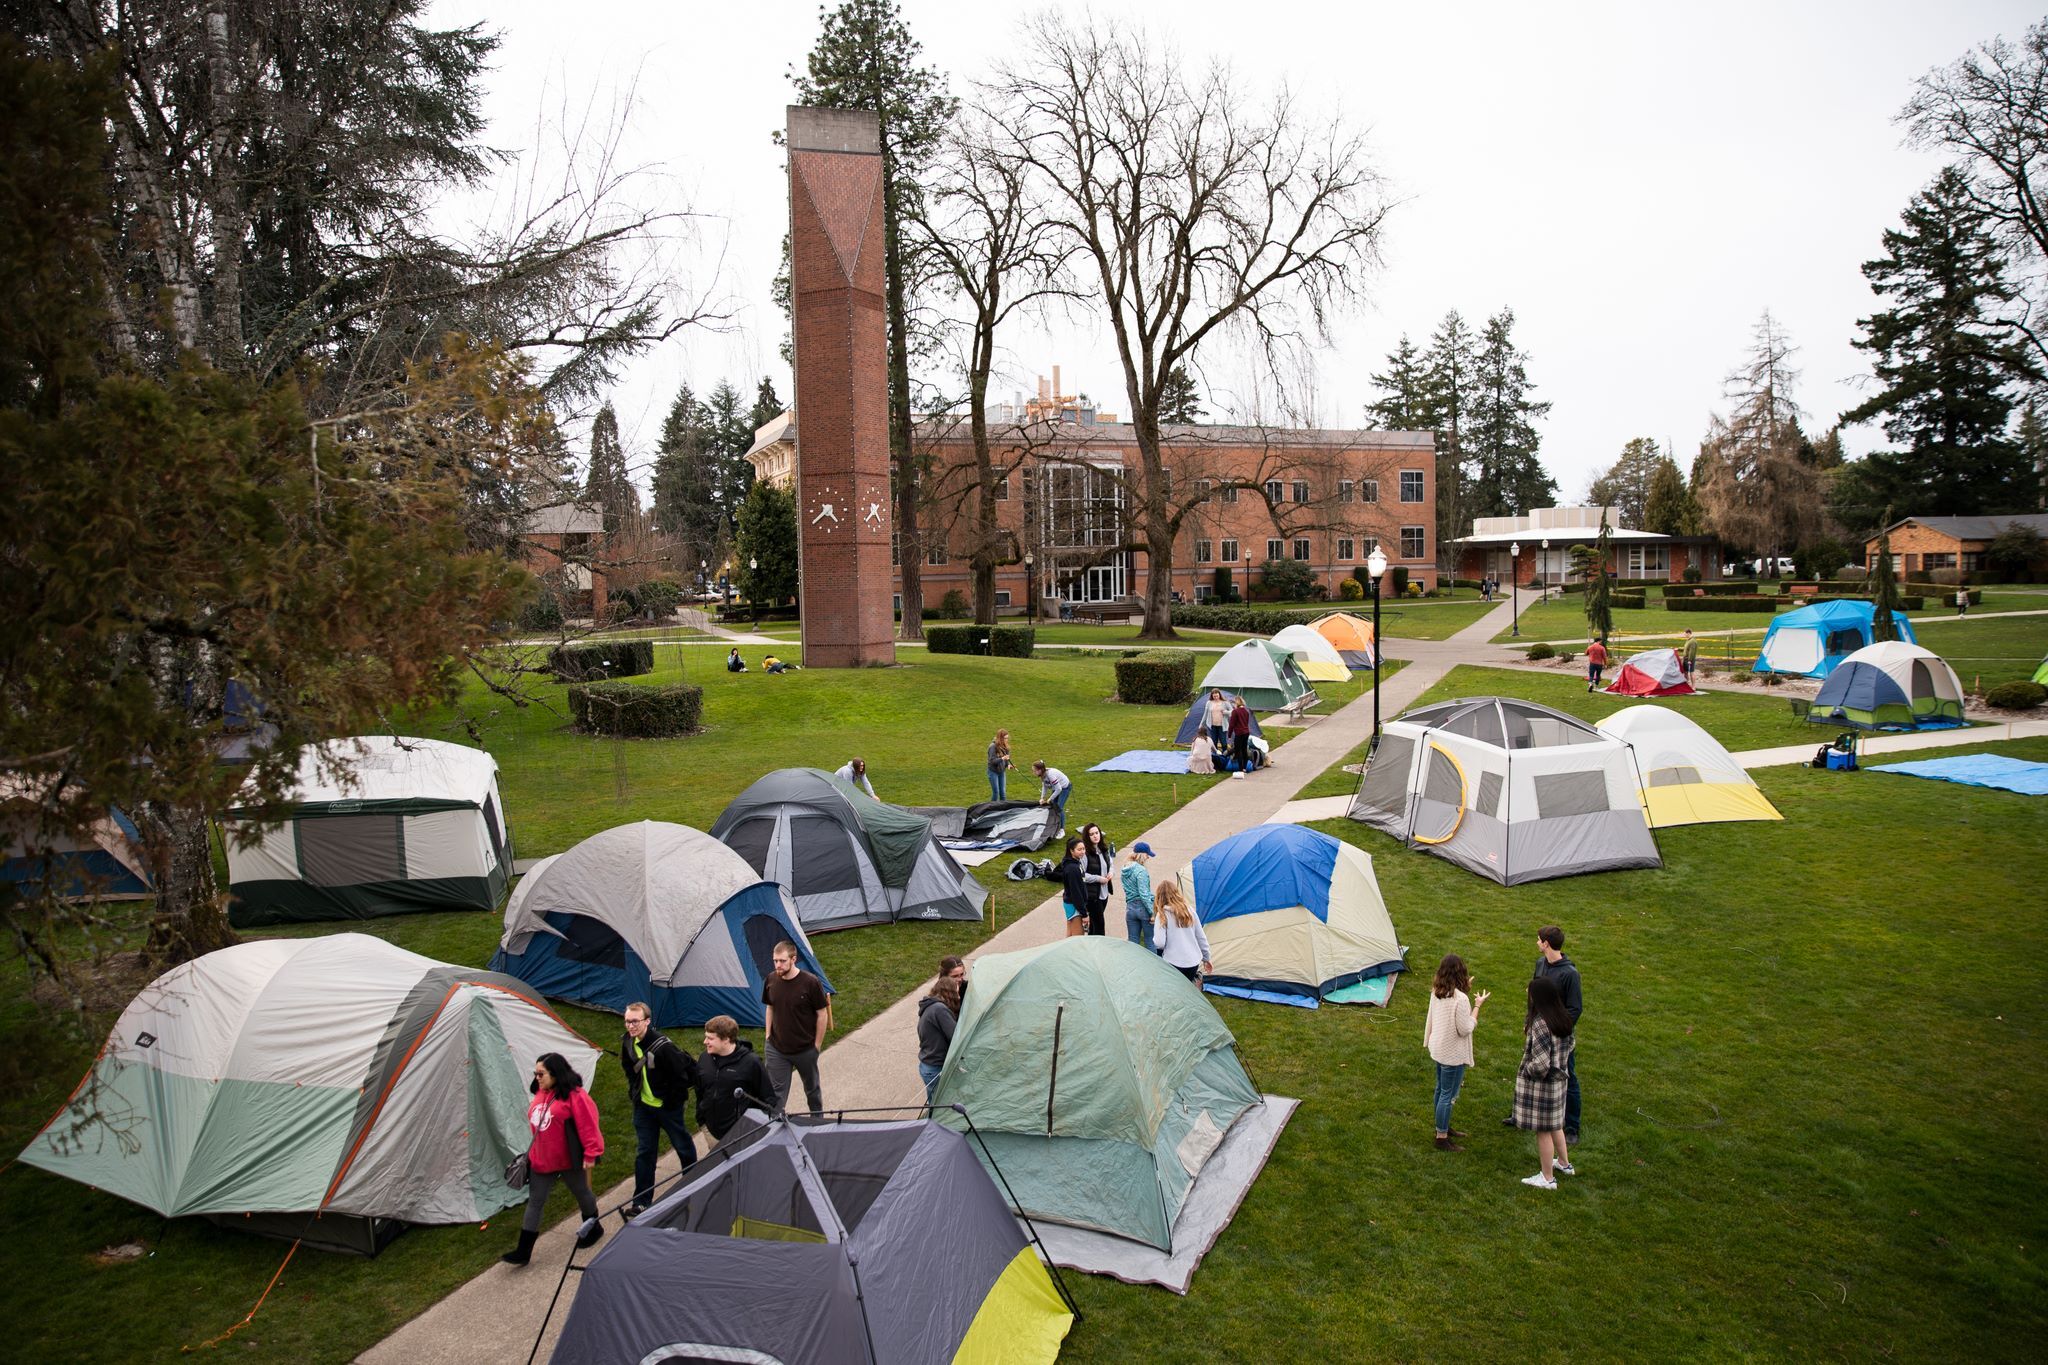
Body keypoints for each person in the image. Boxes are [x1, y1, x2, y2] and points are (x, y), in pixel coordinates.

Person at [503, 1052, 605, 1265]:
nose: (537, 1078)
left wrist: (591, 1153)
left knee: (582, 1193)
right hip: (541, 1161)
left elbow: (589, 1126)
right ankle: (524, 1251)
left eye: (542, 1074)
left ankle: (593, 1227)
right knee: (535, 1202)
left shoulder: (576, 1096)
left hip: (568, 1160)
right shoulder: (541, 1093)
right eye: (536, 1073)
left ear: (556, 1074)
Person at [619, 1002, 697, 1217]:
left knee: (682, 1145)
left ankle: (695, 1184)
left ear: (647, 1021)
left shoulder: (664, 1047)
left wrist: (670, 1102)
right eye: (627, 1021)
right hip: (643, 1108)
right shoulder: (627, 1041)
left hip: (667, 1108)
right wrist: (636, 1093)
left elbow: (680, 1078)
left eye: (635, 1021)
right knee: (645, 1152)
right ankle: (642, 1202)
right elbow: (628, 1067)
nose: (630, 1026)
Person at [1513, 975, 1576, 1188]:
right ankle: (1565, 1164)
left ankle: (1547, 1178)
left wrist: (1527, 1070)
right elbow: (1571, 1046)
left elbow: (1540, 1065)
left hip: (1544, 1086)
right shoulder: (1563, 1018)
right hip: (1560, 1082)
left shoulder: (1541, 1023)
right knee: (1556, 1124)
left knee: (1543, 1131)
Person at [1424, 955, 1489, 1152]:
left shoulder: (1437, 991)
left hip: (1439, 1048)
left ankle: (1441, 1127)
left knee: (1440, 1089)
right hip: (1452, 1054)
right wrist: (1477, 1006)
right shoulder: (1461, 1000)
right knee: (1447, 1094)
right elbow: (1465, 1028)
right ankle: (1441, 1136)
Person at [761, 941, 831, 1117]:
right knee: (775, 1095)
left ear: (794, 959)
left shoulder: (810, 982)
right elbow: (769, 1007)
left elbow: (822, 1013)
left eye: (782, 961)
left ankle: (817, 1123)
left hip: (805, 1050)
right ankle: (775, 1127)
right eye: (775, 960)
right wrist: (768, 1035)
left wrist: (817, 1045)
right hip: (776, 1049)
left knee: (812, 1090)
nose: (778, 965)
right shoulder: (770, 980)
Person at [1536, 925, 1584, 1139]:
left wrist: (1558, 1028)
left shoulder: (1569, 974)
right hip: (1538, 1031)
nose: (1536, 943)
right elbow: (1535, 994)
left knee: (1568, 1076)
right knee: (1532, 1070)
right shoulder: (1540, 964)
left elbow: (1575, 1008)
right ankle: (1526, 1112)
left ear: (1546, 943)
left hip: (1560, 1034)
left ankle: (1571, 1126)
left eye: (1539, 940)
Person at [695, 1015, 773, 1145]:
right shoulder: (704, 1058)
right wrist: (701, 1119)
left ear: (726, 1039)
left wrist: (753, 1128)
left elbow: (768, 1099)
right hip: (711, 1133)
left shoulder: (751, 1063)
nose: (705, 1042)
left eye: (710, 1038)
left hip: (741, 1135)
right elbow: (699, 1089)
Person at [1151, 879, 1212, 982]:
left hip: (1173, 962)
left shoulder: (1162, 915)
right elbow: (1201, 937)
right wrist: (1206, 958)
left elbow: (1159, 943)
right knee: (1187, 989)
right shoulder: (1189, 910)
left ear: (1159, 897)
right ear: (1176, 893)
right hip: (1193, 962)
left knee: (1174, 992)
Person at [916, 974, 963, 1102]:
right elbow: (956, 1037)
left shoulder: (931, 1006)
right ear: (950, 993)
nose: (958, 996)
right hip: (936, 1067)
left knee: (936, 1103)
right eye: (956, 993)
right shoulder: (940, 1010)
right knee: (940, 1106)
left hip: (928, 1064)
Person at [1079, 822, 1116, 936]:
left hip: (1104, 893)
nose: (1095, 836)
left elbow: (1111, 864)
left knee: (1094, 925)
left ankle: (1091, 948)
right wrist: (1098, 879)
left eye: (1097, 833)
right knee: (1100, 926)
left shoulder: (1103, 850)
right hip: (1093, 896)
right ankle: (1099, 950)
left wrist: (1110, 873)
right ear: (1087, 837)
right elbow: (1082, 875)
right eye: (1092, 834)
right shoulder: (1085, 854)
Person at [1120, 841, 1157, 947]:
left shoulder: (1125, 870)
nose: (1148, 858)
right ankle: (1152, 964)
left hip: (1130, 909)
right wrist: (1152, 913)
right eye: (1147, 855)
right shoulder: (1141, 871)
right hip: (1143, 909)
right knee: (1150, 941)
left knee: (1133, 942)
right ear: (1142, 855)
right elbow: (1144, 894)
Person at [1056, 837, 1089, 938]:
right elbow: (1076, 892)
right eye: (1079, 849)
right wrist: (1084, 914)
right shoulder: (1072, 868)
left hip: (1071, 904)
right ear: (1071, 850)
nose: (1082, 852)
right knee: (1077, 939)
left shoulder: (1074, 863)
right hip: (1075, 906)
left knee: (1070, 936)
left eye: (1083, 849)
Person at [1033, 760, 1072, 830]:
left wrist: (1050, 798)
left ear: (1040, 770)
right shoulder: (1042, 775)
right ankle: (1055, 825)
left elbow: (1059, 789)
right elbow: (1044, 786)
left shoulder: (1050, 775)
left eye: (1035, 770)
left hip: (1064, 787)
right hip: (1056, 787)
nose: (1033, 772)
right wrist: (1042, 798)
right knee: (1053, 806)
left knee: (1059, 808)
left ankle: (1061, 829)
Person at [1227, 695, 1253, 777]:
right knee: (1244, 749)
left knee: (1238, 751)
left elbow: (1231, 724)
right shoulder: (1246, 711)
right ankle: (1245, 767)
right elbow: (1246, 722)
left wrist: (1229, 735)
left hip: (1239, 733)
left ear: (1236, 703)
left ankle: (1241, 769)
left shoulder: (1235, 711)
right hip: (1246, 732)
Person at [986, 730, 1014, 802]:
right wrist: (1002, 758)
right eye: (1005, 738)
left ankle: (1003, 809)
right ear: (1000, 738)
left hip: (1001, 771)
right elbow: (992, 761)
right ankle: (991, 808)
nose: (1007, 740)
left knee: (1003, 792)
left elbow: (1006, 759)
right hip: (993, 771)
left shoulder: (1006, 747)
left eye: (1007, 738)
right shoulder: (993, 747)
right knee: (996, 792)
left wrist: (1008, 765)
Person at [1204, 688, 1229, 756]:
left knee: (1223, 742)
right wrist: (1201, 724)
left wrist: (1225, 712)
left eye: (1217, 696)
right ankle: (1215, 756)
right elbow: (1205, 714)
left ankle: (1225, 756)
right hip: (1212, 726)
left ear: (1219, 695)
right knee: (1214, 742)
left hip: (1222, 726)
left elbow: (1232, 712)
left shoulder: (1225, 702)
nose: (1215, 697)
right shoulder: (1209, 703)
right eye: (1214, 696)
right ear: (1212, 696)